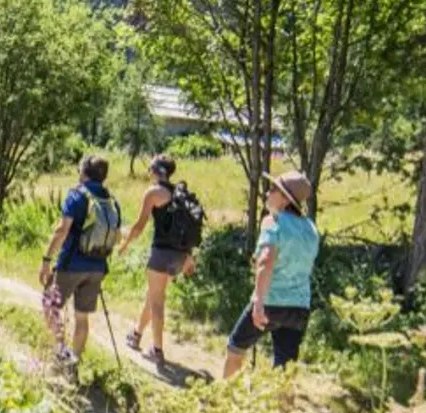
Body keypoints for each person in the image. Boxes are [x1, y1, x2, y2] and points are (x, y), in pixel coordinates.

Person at [224, 170, 320, 378]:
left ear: (286, 199)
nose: (268, 192)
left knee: (235, 348)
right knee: (285, 367)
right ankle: (283, 400)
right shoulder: (311, 229)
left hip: (271, 301)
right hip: (299, 306)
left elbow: (266, 261)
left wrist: (258, 302)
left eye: (274, 189)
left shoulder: (273, 221)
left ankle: (224, 395)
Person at [115, 154, 203, 367]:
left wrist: (125, 244)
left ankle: (157, 350)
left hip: (162, 254)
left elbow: (139, 225)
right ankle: (136, 334)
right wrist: (189, 258)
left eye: (150, 170)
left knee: (157, 302)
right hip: (180, 256)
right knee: (153, 295)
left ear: (155, 171)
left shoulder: (154, 192)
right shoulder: (179, 193)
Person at [39, 154, 121, 369]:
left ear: (84, 173)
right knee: (82, 318)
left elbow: (62, 230)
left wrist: (46, 260)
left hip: (71, 264)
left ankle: (60, 351)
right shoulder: (112, 201)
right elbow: (117, 236)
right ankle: (74, 363)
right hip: (98, 267)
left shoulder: (77, 195)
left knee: (50, 305)